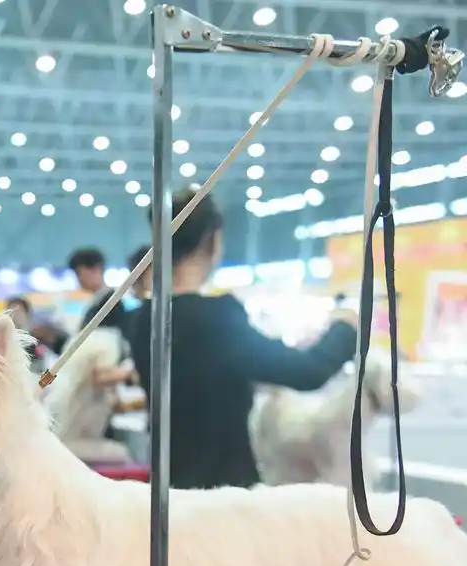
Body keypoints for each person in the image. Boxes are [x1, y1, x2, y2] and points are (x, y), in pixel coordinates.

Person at [129, 189, 357, 489]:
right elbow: (308, 371)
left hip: (168, 491)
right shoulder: (217, 315)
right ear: (212, 239)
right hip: (226, 495)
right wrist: (346, 326)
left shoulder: (144, 318)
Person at [72, 247, 131, 336]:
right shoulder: (99, 301)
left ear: (96, 269)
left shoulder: (111, 304)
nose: (78, 279)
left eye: (78, 273)